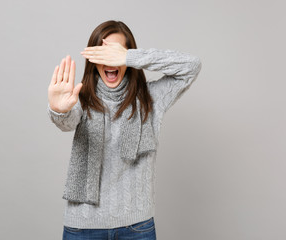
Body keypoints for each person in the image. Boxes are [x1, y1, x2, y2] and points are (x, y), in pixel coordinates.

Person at [47, 20, 202, 240]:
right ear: (93, 59)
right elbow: (67, 122)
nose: (110, 59)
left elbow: (191, 66)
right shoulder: (80, 98)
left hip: (137, 227)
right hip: (82, 227)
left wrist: (130, 57)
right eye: (104, 52)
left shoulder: (151, 99)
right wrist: (58, 110)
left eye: (115, 52)